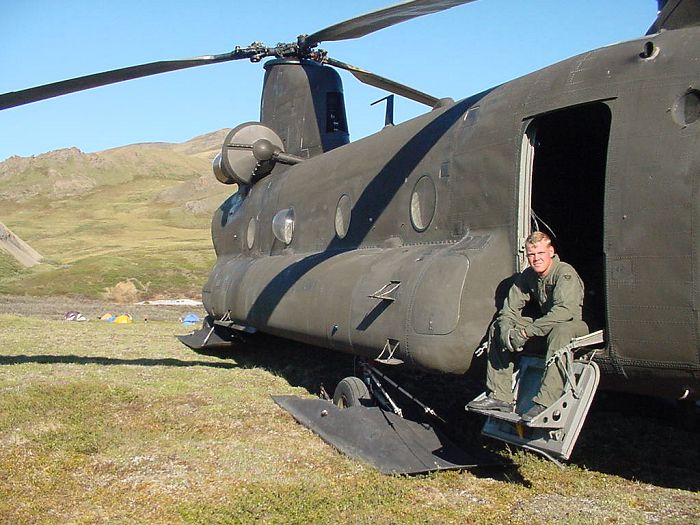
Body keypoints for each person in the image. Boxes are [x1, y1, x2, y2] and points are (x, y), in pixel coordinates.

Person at [468, 231, 588, 421]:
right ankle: (500, 397)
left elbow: (564, 312)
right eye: (531, 254)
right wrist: (508, 331)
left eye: (540, 253)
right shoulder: (528, 276)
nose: (536, 259)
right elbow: (509, 309)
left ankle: (546, 402)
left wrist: (525, 332)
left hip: (573, 325)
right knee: (497, 327)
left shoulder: (564, 273)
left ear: (551, 252)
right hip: (547, 323)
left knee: (561, 330)